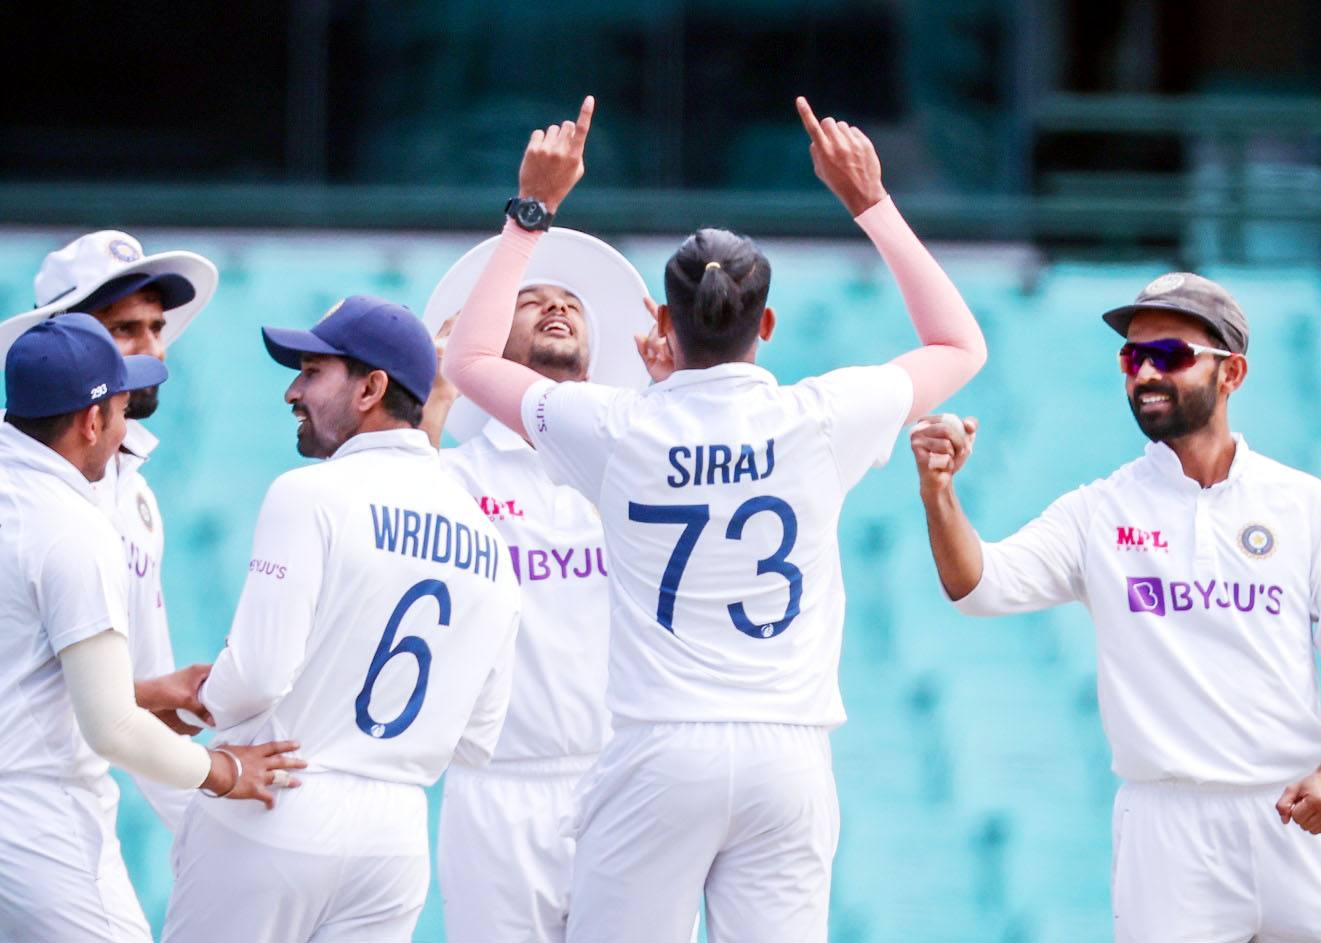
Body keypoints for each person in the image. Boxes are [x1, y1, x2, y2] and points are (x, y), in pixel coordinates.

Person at [444, 96, 986, 942]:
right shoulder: (819, 418)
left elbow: (469, 360)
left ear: (661, 323)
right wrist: (870, 203)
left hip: (660, 747)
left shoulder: (618, 428)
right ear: (766, 324)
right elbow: (960, 345)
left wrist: (531, 212)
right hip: (789, 752)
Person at [909, 272, 1321, 942]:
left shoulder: (1303, 504)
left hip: (1296, 816)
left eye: (1169, 355)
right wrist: (939, 492)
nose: (1145, 374)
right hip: (1169, 831)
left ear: (1234, 373)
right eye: (1132, 357)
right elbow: (980, 586)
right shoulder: (1100, 510)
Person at [161, 296, 521, 943]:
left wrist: (185, 699)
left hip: (281, 793)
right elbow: (477, 734)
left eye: (311, 370)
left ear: (372, 388)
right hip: (396, 837)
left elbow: (258, 676)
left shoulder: (309, 493)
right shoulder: (487, 535)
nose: (292, 391)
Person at [0, 313, 303, 943]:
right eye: (119, 407)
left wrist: (156, 692)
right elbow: (110, 727)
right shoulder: (73, 529)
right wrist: (224, 771)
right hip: (36, 827)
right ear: (91, 421)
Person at [419, 229, 651, 941]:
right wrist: (438, 392)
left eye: (570, 303)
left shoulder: (638, 459)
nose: (556, 309)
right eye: (531, 301)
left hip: (623, 779)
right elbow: (393, 507)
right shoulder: (454, 474)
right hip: (497, 787)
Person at [1, 229, 220, 831]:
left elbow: (137, 688)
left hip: (64, 798)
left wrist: (205, 821)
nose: (154, 346)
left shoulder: (136, 492)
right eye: (125, 329)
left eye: (157, 327)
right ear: (60, 338)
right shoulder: (21, 489)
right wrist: (222, 777)